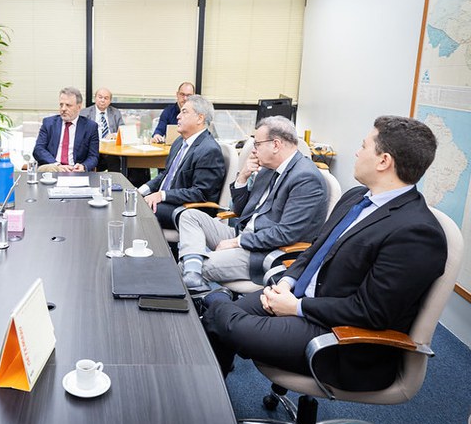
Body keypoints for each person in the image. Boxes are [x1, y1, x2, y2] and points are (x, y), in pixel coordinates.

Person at [202, 116, 447, 392]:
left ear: (383, 161)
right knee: (217, 319)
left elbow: (370, 313)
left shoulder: (417, 232)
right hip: (301, 299)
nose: (357, 153)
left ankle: (215, 303)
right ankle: (210, 394)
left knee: (219, 315)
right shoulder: (356, 197)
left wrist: (296, 307)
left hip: (340, 337)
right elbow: (315, 249)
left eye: (363, 146)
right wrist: (287, 283)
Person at [178, 116, 327, 292]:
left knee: (188, 267)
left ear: (276, 145)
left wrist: (237, 242)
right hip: (246, 235)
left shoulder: (306, 178)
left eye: (257, 144)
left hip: (265, 251)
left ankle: (203, 289)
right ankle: (194, 276)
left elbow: (286, 233)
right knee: (189, 216)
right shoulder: (268, 169)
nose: (254, 150)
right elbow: (240, 211)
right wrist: (243, 177)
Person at [138, 95, 225, 230]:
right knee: (134, 200)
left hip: (190, 210)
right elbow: (166, 174)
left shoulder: (209, 150)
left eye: (184, 112)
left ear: (200, 118)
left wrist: (162, 195)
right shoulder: (179, 141)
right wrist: (141, 190)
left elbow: (200, 193)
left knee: (140, 209)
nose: (178, 116)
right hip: (171, 202)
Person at [33, 86, 100, 172]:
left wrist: (83, 166)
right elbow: (38, 150)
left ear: (79, 107)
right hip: (53, 169)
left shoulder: (90, 127)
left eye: (68, 105)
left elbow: (93, 157)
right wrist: (57, 165)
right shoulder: (49, 123)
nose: (63, 109)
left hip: (75, 171)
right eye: (61, 105)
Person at [80, 87, 124, 171]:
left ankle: (114, 178)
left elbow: (122, 130)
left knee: (114, 160)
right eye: (100, 97)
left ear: (110, 101)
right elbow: (80, 133)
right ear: (95, 98)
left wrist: (114, 135)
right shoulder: (85, 113)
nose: (102, 100)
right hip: (92, 148)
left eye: (106, 98)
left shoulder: (115, 112)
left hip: (111, 149)